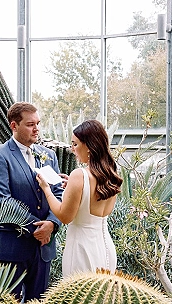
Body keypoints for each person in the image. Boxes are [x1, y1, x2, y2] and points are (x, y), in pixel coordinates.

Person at [0, 102, 64, 301]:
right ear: (14, 125)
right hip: (11, 248)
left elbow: (58, 193)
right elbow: (1, 201)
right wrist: (37, 229)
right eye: (30, 124)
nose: (36, 128)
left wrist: (53, 224)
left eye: (38, 123)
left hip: (43, 249)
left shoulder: (49, 156)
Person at [36, 119, 122, 278]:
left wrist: (46, 189)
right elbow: (93, 198)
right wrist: (73, 187)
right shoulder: (111, 175)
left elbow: (64, 216)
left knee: (78, 300)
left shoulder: (79, 175)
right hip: (106, 249)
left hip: (82, 249)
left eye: (75, 144)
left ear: (88, 146)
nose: (72, 149)